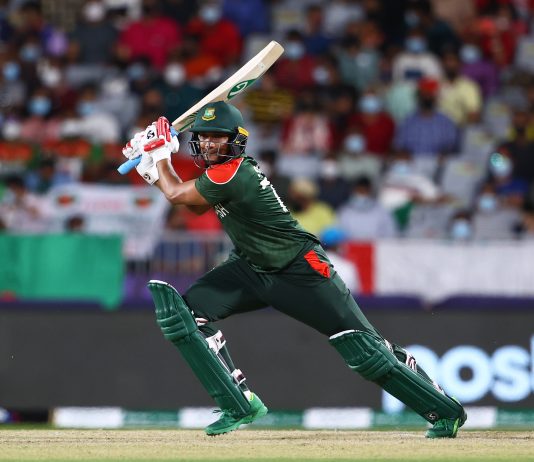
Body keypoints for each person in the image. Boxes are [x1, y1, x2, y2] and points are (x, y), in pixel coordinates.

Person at [121, 101, 466, 438]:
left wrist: (159, 156)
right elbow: (192, 203)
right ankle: (239, 404)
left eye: (217, 136)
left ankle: (445, 410)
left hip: (300, 269)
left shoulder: (235, 171)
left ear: (235, 140)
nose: (209, 143)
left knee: (365, 350)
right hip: (251, 267)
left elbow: (178, 195)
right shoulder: (219, 175)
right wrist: (152, 165)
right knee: (183, 315)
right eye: (204, 136)